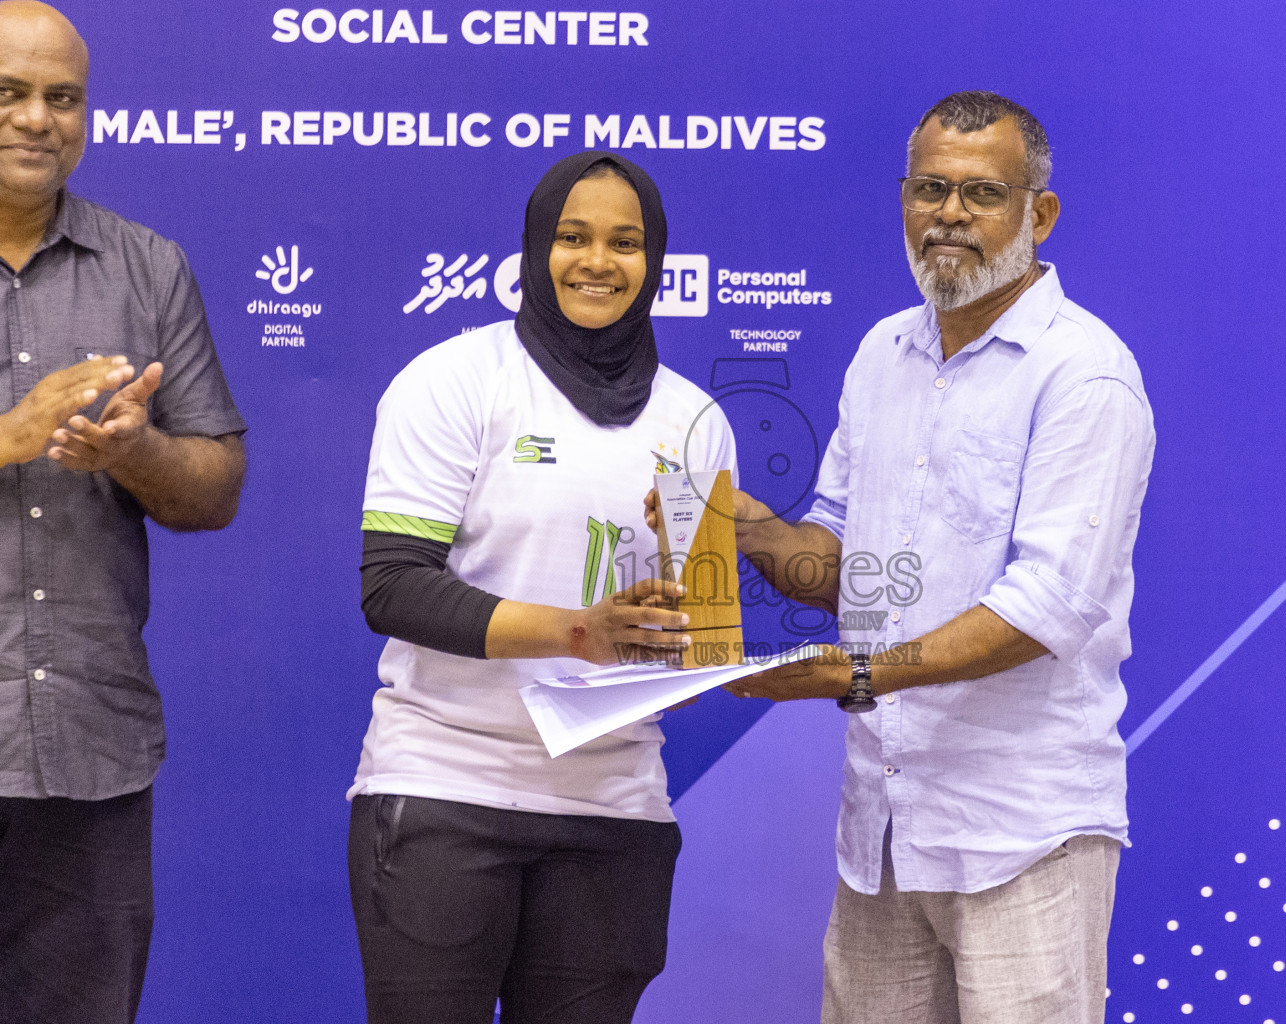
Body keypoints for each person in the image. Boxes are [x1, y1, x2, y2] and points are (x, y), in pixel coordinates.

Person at [719, 91, 1155, 1024]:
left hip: (1024, 831)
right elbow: (841, 565)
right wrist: (748, 530)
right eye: (930, 189)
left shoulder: (1086, 375)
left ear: (1038, 214)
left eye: (982, 193)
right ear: (903, 200)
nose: (949, 214)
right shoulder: (883, 353)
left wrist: (864, 672)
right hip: (882, 833)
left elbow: (1050, 605)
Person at [349, 150, 736, 1024]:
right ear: (534, 248)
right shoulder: (454, 382)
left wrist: (695, 652)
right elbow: (394, 587)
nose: (598, 262)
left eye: (626, 242)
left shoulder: (696, 422)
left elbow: (701, 636)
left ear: (655, 262)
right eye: (573, 236)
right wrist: (577, 632)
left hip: (615, 812)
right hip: (446, 792)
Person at [0, 2, 248, 1021]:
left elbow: (217, 486)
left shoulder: (148, 266)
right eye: (10, 93)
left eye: (63, 98)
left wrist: (137, 451)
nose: (38, 119)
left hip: (87, 750)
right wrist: (11, 437)